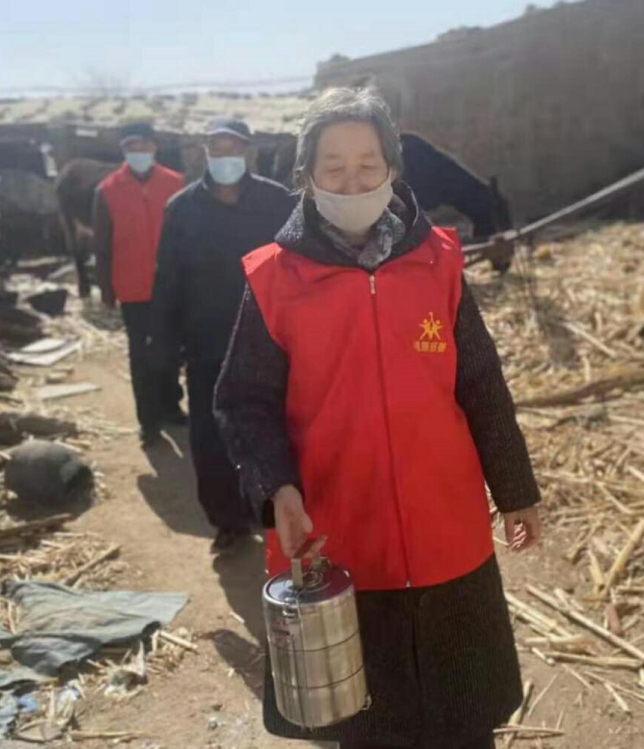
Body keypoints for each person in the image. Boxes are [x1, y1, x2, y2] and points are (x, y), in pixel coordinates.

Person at [214, 88, 543, 749]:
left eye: (368, 163)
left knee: (462, 718)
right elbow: (244, 400)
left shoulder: (438, 262)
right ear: (305, 176)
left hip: (446, 527)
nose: (353, 180)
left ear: (392, 167)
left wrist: (516, 490)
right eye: (333, 167)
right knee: (372, 724)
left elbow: (480, 382)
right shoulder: (274, 279)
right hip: (340, 538)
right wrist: (277, 487)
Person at [151, 117, 296, 553]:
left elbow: (299, 266)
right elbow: (168, 280)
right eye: (217, 148)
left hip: (271, 341)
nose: (225, 156)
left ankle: (271, 511)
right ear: (206, 152)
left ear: (248, 151)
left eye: (234, 147)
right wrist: (164, 345)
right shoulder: (181, 209)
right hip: (207, 343)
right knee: (210, 437)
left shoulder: (277, 202)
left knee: (272, 430)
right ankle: (228, 521)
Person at [93, 122, 186, 445]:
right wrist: (106, 289)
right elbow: (102, 245)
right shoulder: (107, 190)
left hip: (172, 286)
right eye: (131, 147)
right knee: (142, 356)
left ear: (154, 147)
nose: (138, 152)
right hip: (132, 288)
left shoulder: (175, 184)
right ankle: (149, 422)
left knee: (171, 350)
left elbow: (189, 236)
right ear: (123, 151)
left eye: (143, 145)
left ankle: (171, 405)